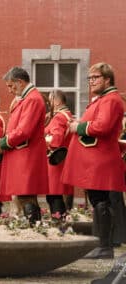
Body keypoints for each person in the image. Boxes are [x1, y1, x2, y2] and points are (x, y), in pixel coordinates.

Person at [62, 62, 126, 259]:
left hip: (101, 158)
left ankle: (105, 247)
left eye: (95, 77)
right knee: (97, 200)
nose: (91, 81)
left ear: (107, 79)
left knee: (101, 200)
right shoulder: (103, 99)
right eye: (89, 78)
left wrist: (77, 127)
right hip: (95, 158)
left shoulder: (111, 100)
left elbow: (103, 126)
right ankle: (101, 245)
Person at [0, 66, 49, 226]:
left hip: (26, 153)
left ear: (20, 82)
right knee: (24, 194)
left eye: (11, 86)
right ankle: (33, 227)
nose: (9, 90)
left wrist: (3, 143)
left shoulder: (32, 99)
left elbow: (24, 130)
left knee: (26, 194)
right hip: (22, 152)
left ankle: (34, 229)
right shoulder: (28, 98)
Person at [44, 90, 73, 216]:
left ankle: (58, 223)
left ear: (57, 101)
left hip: (55, 162)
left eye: (50, 100)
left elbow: (56, 139)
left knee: (53, 195)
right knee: (58, 194)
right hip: (64, 160)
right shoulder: (68, 114)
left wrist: (44, 141)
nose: (49, 104)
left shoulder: (59, 117)